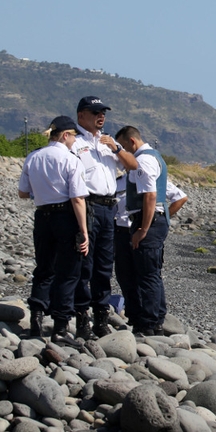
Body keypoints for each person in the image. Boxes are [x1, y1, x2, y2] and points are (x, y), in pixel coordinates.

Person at [18, 116, 90, 339]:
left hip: (43, 215)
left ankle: (36, 318)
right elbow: (78, 198)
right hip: (65, 216)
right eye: (74, 136)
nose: (74, 141)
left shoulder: (33, 156)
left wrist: (42, 191)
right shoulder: (71, 160)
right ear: (66, 135)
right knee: (68, 272)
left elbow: (22, 192)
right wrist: (84, 231)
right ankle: (60, 325)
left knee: (44, 268)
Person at [72, 96, 137, 339]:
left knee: (103, 266)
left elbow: (132, 166)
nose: (101, 116)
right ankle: (81, 320)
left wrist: (117, 148)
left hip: (109, 208)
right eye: (95, 112)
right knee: (84, 264)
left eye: (103, 112)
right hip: (87, 206)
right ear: (82, 116)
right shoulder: (75, 142)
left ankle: (100, 318)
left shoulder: (107, 142)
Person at [115, 125, 170, 336]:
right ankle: (154, 319)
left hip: (148, 220)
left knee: (147, 274)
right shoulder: (151, 157)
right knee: (149, 272)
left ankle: (149, 323)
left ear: (131, 143)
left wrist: (143, 229)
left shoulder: (145, 160)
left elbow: (150, 196)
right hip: (149, 218)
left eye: (123, 148)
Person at [113, 174, 187, 334]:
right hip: (120, 231)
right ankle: (135, 318)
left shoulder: (148, 176)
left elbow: (180, 198)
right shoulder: (115, 180)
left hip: (141, 230)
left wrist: (160, 219)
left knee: (148, 275)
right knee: (124, 276)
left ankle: (154, 320)